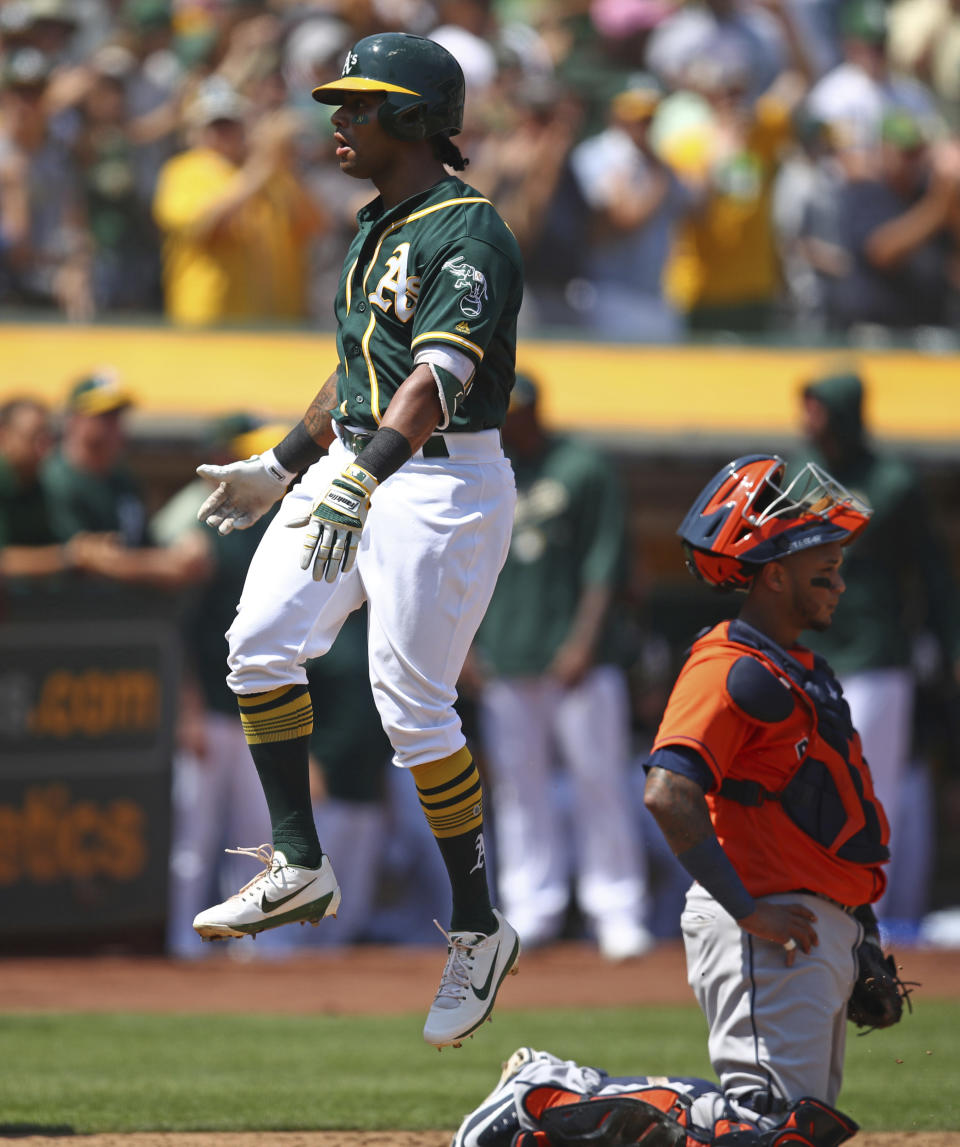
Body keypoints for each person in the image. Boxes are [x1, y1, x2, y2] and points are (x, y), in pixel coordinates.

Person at [189, 32, 524, 1049]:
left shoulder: (471, 229)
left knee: (413, 710)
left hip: (444, 483)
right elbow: (357, 376)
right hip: (361, 462)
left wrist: (361, 477)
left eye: (362, 106)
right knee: (256, 645)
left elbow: (435, 382)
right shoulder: (378, 224)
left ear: (417, 119)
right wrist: (283, 464)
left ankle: (477, 928)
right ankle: (299, 860)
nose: (340, 121)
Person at [452, 454, 889, 1147]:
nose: (840, 577)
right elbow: (668, 793)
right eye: (823, 566)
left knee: (790, 1129)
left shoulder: (800, 667)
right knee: (772, 1130)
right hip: (765, 920)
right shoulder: (729, 664)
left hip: (808, 925)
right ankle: (548, 1093)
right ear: (773, 575)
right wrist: (748, 910)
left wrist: (858, 927)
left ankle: (555, 1109)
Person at [468, 372, 652, 961]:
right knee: (519, 792)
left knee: (600, 781)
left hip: (579, 660)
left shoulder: (583, 466)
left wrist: (584, 641)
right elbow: (463, 567)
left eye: (518, 411)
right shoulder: (483, 468)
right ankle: (531, 907)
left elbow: (605, 566)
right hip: (508, 653)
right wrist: (467, 649)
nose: (510, 421)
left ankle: (616, 909)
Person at [796, 366, 960, 925]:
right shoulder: (800, 476)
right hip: (810, 655)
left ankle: (870, 914)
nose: (808, 419)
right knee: (805, 783)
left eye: (818, 407)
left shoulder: (891, 480)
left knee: (870, 789)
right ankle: (818, 905)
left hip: (875, 655)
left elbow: (933, 572)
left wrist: (951, 642)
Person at [152, 76, 328, 326]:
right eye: (216, 125)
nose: (225, 133)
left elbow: (317, 227)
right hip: (208, 324)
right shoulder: (183, 171)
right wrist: (262, 168)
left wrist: (285, 164)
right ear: (194, 132)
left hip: (277, 325)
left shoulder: (270, 173)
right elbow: (203, 224)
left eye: (232, 124)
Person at [0, 396, 119, 584]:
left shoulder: (42, 482)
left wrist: (87, 549)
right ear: (3, 436)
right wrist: (70, 556)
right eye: (34, 437)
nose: (44, 446)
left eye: (47, 437)